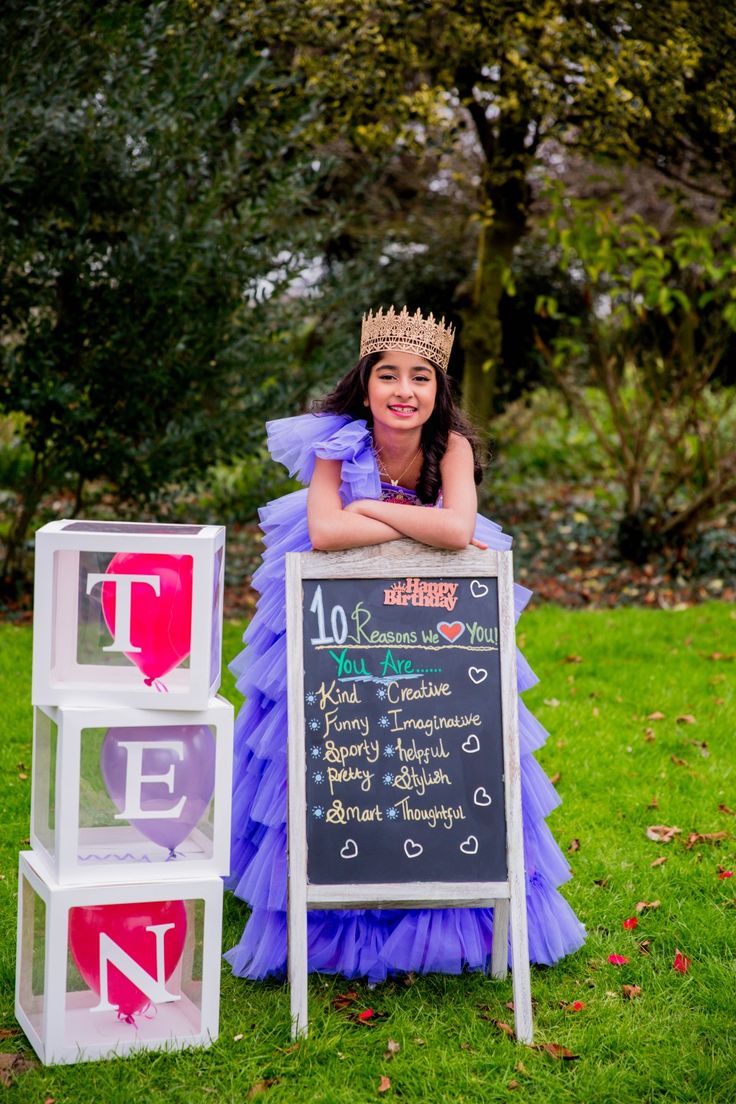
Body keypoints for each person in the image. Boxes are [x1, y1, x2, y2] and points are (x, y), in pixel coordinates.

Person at [225, 306, 585, 981]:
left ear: (437, 390)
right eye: (387, 376)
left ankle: (460, 894)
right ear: (364, 387)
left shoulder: (452, 447)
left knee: (457, 724)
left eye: (420, 377)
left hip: (431, 614)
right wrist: (402, 524)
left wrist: (373, 511)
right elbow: (326, 534)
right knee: (309, 728)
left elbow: (456, 531)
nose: (404, 391)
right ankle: (308, 885)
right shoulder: (337, 443)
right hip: (341, 614)